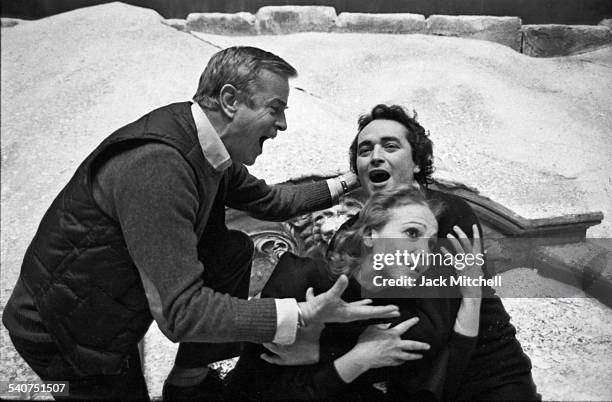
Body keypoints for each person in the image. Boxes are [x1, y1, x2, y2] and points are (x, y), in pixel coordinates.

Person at [2, 47, 401, 400]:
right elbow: (181, 313)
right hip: (62, 330)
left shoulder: (207, 144)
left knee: (231, 250)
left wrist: (351, 180)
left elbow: (271, 200)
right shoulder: (158, 167)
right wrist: (297, 316)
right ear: (230, 100)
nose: (282, 126)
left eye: (390, 147)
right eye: (275, 109)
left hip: (107, 302)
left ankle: (186, 378)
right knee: (102, 386)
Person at [248, 104, 539, 400]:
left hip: (485, 376)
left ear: (416, 163)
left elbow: (430, 331)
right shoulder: (352, 231)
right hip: (406, 381)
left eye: (390, 146)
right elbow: (345, 312)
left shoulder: (447, 214)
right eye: (365, 151)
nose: (376, 156)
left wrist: (323, 349)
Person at [227, 186, 485, 401]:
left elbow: (439, 384)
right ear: (371, 234)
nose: (424, 253)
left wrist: (473, 296)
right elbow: (258, 391)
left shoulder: (402, 309)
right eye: (411, 233)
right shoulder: (299, 279)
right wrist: (356, 360)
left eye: (431, 243)